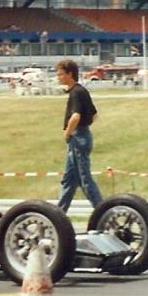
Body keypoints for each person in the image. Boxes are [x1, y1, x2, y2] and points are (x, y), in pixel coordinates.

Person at [55, 59, 103, 213]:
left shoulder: (76, 92)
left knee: (85, 180)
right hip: (83, 134)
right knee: (69, 180)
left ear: (70, 74)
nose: (58, 77)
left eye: (61, 74)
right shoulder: (81, 90)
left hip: (77, 138)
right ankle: (59, 214)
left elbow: (75, 116)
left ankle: (103, 211)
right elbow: (94, 115)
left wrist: (68, 133)